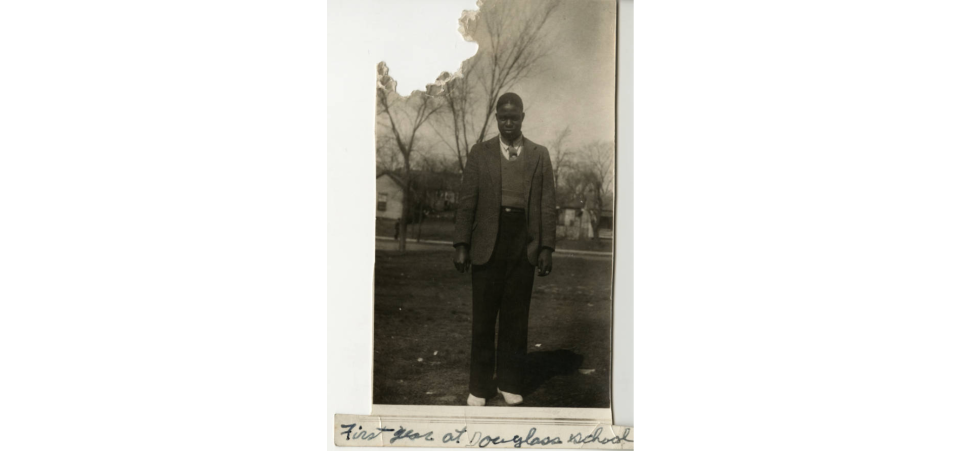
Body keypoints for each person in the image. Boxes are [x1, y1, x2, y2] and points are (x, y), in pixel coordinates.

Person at [453, 92, 556, 406]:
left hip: (523, 243)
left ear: (523, 117)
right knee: (484, 317)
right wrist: (462, 244)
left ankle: (510, 382)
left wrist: (547, 247)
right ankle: (480, 387)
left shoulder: (539, 155)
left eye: (515, 117)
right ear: (497, 118)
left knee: (515, 317)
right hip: (487, 243)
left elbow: (547, 204)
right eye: (503, 117)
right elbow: (467, 202)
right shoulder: (480, 153)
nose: (509, 123)